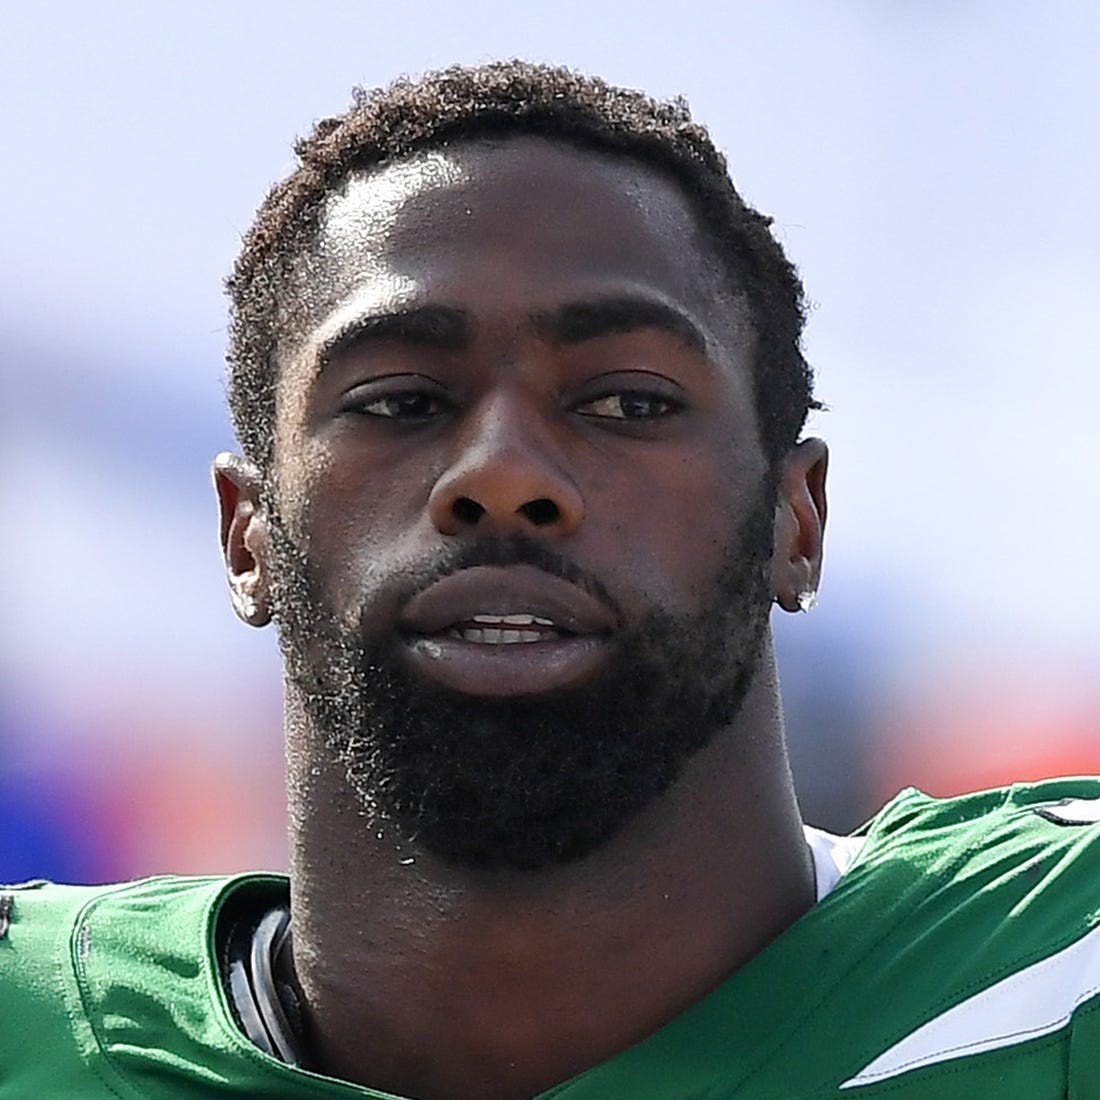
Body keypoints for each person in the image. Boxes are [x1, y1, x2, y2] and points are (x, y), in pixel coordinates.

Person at [1, 60, 1097, 1100]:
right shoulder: (26, 1025)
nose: (503, 477)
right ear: (246, 534)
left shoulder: (1060, 963)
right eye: (399, 400)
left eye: (626, 401)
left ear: (795, 520)